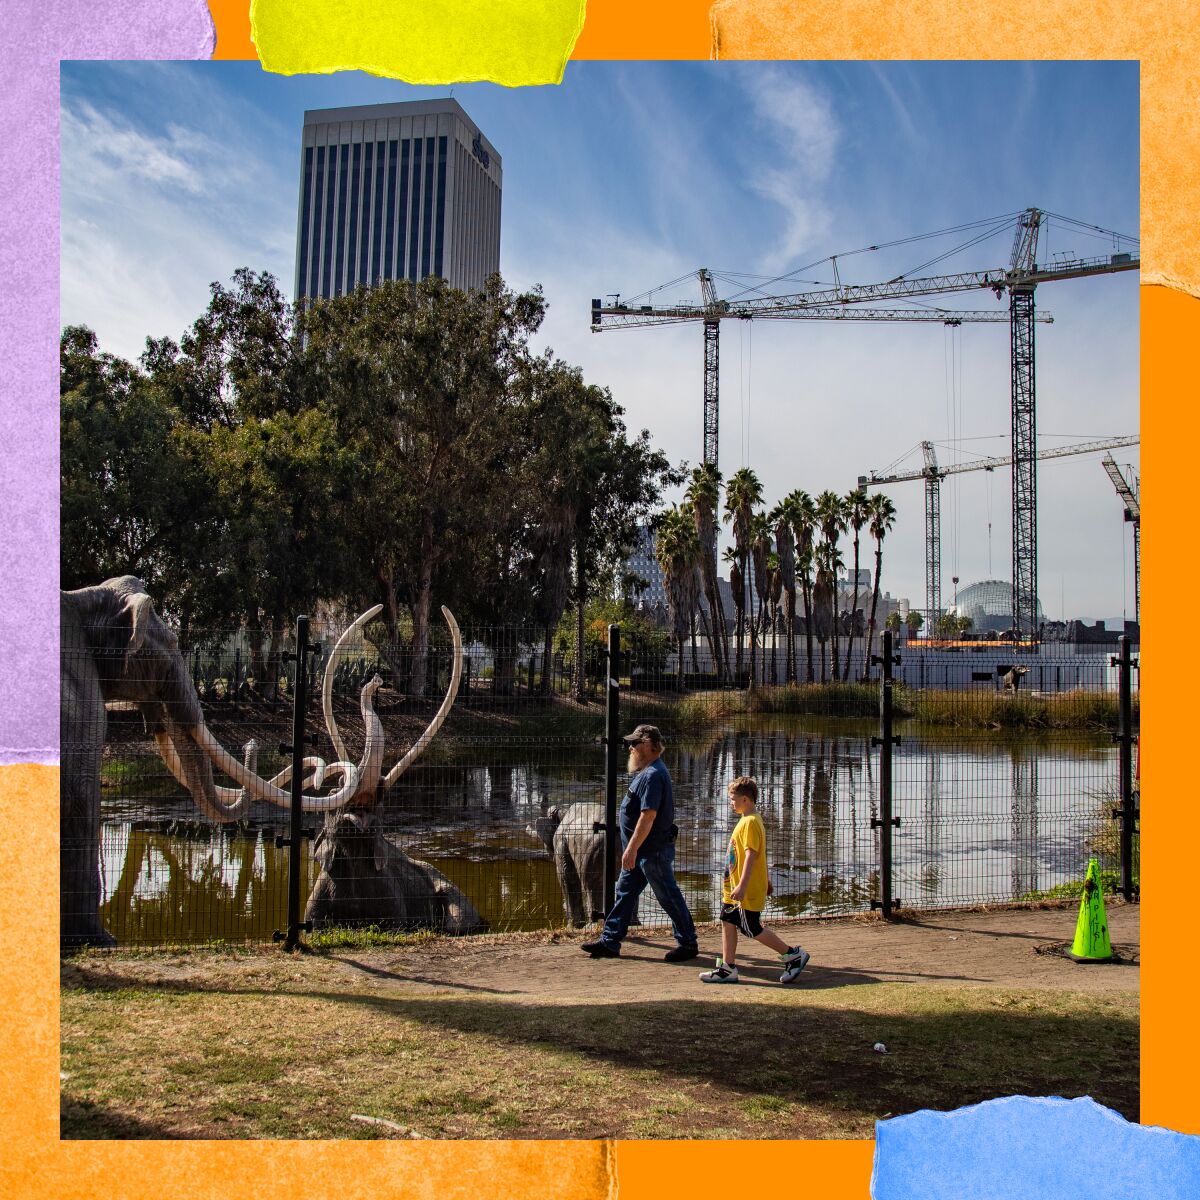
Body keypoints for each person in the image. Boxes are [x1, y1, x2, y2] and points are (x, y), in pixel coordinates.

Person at [581, 724, 699, 962]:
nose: (630, 748)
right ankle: (610, 941)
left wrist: (632, 848)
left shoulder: (654, 775)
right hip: (642, 852)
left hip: (651, 852)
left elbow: (648, 816)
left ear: (647, 745)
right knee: (624, 893)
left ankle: (688, 943)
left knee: (668, 896)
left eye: (634, 744)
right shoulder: (647, 773)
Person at [700, 776, 810, 984]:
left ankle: (793, 955)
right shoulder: (746, 820)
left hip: (745, 889)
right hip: (732, 888)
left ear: (746, 800)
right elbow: (761, 855)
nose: (731, 803)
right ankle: (728, 968)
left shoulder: (751, 822)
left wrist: (742, 884)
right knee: (727, 921)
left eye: (733, 799)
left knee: (751, 928)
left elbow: (752, 854)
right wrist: (766, 879)